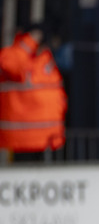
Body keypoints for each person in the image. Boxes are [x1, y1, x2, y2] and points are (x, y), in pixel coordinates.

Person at [0, 24, 67, 161]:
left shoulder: (47, 59)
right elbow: (12, 64)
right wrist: (29, 42)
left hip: (48, 138)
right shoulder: (14, 54)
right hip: (22, 139)